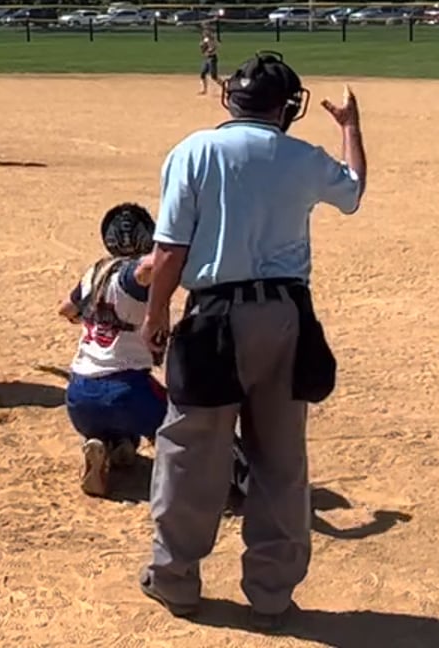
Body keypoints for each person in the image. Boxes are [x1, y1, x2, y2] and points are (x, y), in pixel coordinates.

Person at [138, 51, 367, 628]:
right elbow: (353, 191)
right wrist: (350, 128)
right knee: (280, 459)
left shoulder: (195, 150)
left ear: (230, 98)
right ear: (287, 107)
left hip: (214, 317)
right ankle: (271, 595)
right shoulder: (302, 156)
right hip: (287, 318)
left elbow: (169, 250)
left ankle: (176, 579)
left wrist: (157, 313)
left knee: (190, 452)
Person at [60, 203, 166, 498]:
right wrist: (174, 247)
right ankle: (178, 471)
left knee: (112, 419)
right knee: (177, 423)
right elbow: (146, 268)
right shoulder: (131, 274)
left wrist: (89, 317)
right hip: (127, 391)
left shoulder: (96, 271)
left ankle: (105, 445)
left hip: (79, 397)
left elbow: (65, 309)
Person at [198, 25, 220, 94]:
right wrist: (203, 47)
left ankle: (224, 87)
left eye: (206, 30)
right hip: (206, 58)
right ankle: (204, 90)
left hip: (212, 58)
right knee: (202, 74)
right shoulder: (205, 39)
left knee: (214, 76)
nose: (204, 32)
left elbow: (214, 47)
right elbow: (202, 48)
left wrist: (208, 49)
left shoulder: (212, 38)